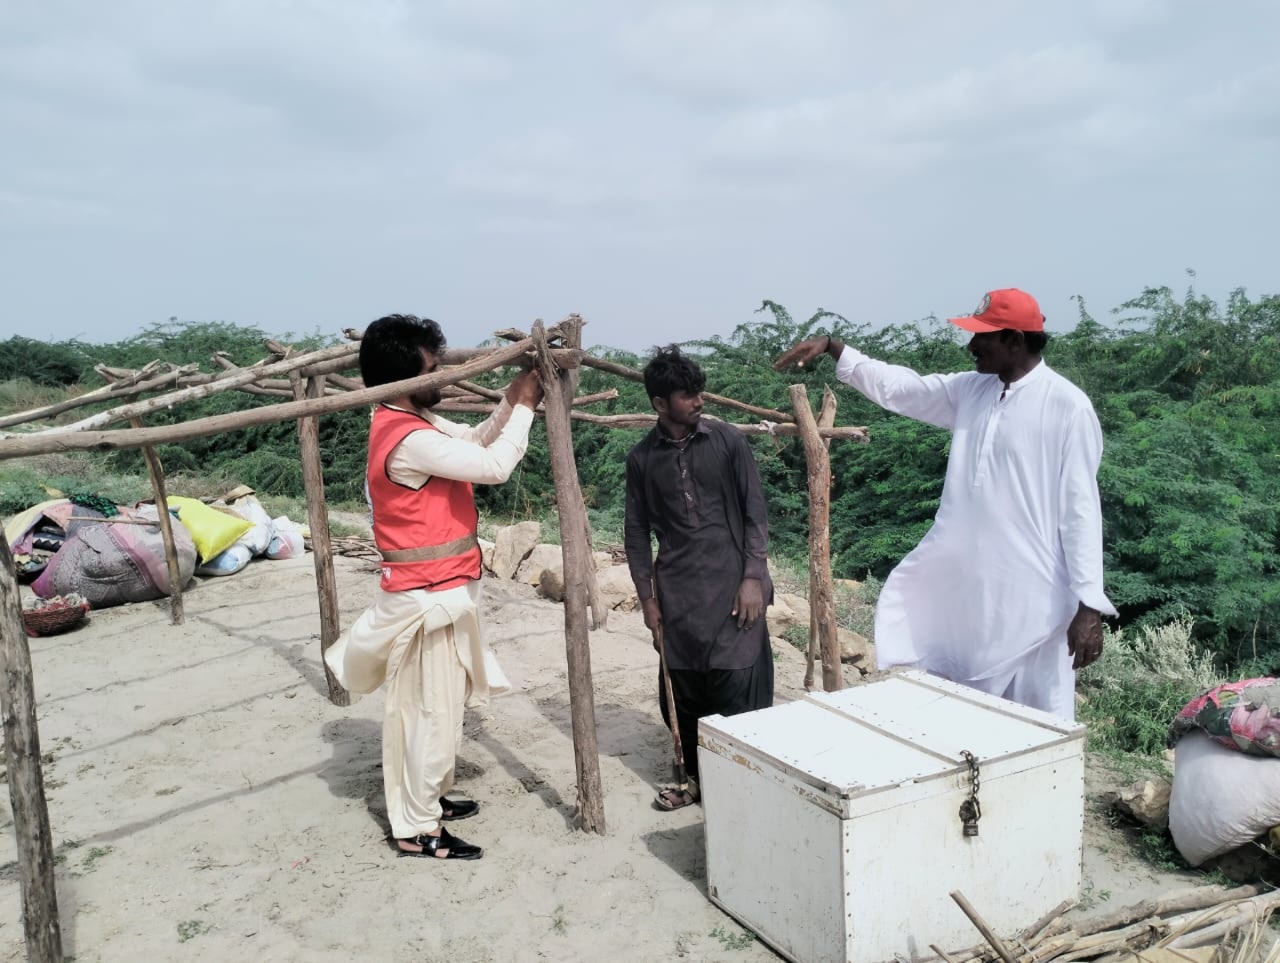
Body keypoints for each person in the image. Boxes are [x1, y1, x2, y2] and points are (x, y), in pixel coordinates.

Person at [774, 288, 1115, 720]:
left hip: (1036, 605)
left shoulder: (1068, 407)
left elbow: (1081, 510)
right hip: (970, 596)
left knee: (1037, 727)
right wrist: (835, 348)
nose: (971, 347)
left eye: (983, 337)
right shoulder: (973, 391)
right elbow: (904, 388)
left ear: (1015, 340)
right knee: (963, 712)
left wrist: (1089, 606)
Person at [325, 314, 543, 859]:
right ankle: (418, 829)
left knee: (441, 708)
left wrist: (514, 398)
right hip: (426, 599)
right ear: (403, 379)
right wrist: (529, 405)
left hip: (441, 592)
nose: (442, 379)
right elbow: (493, 465)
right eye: (431, 370)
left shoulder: (409, 421)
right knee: (427, 713)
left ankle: (431, 800)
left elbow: (473, 442)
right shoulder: (407, 438)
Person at [625, 345, 774, 810]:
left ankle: (745, 791)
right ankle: (698, 784)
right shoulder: (642, 459)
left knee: (737, 687)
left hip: (735, 589)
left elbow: (755, 513)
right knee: (684, 695)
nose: (698, 401)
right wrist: (648, 600)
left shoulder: (727, 441)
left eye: (698, 392)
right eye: (687, 396)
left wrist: (753, 577)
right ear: (659, 404)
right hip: (679, 595)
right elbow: (635, 533)